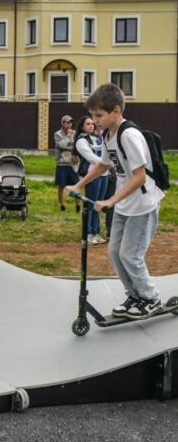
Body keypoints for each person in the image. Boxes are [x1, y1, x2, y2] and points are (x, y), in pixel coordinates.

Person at [67, 83, 165, 319]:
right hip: (124, 204)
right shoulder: (108, 135)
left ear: (117, 111)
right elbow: (103, 165)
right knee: (115, 253)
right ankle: (135, 294)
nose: (95, 120)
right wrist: (79, 184)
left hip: (142, 205)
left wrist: (110, 200)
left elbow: (140, 177)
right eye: (92, 115)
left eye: (99, 115)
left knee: (131, 255)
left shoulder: (129, 135)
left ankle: (151, 298)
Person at [74, 115, 109, 245]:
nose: (91, 126)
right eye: (88, 124)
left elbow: (104, 151)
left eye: (92, 124)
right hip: (92, 175)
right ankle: (88, 233)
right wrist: (106, 164)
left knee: (98, 205)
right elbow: (91, 157)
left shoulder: (98, 138)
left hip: (103, 175)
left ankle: (95, 232)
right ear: (82, 126)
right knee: (90, 204)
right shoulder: (81, 141)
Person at [55, 115, 80, 212]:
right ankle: (62, 206)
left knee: (76, 185)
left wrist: (69, 143)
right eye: (67, 122)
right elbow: (61, 145)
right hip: (62, 164)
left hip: (73, 164)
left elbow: (76, 145)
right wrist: (69, 138)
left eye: (71, 122)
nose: (70, 124)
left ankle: (78, 207)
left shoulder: (75, 133)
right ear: (62, 123)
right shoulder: (57, 134)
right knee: (61, 186)